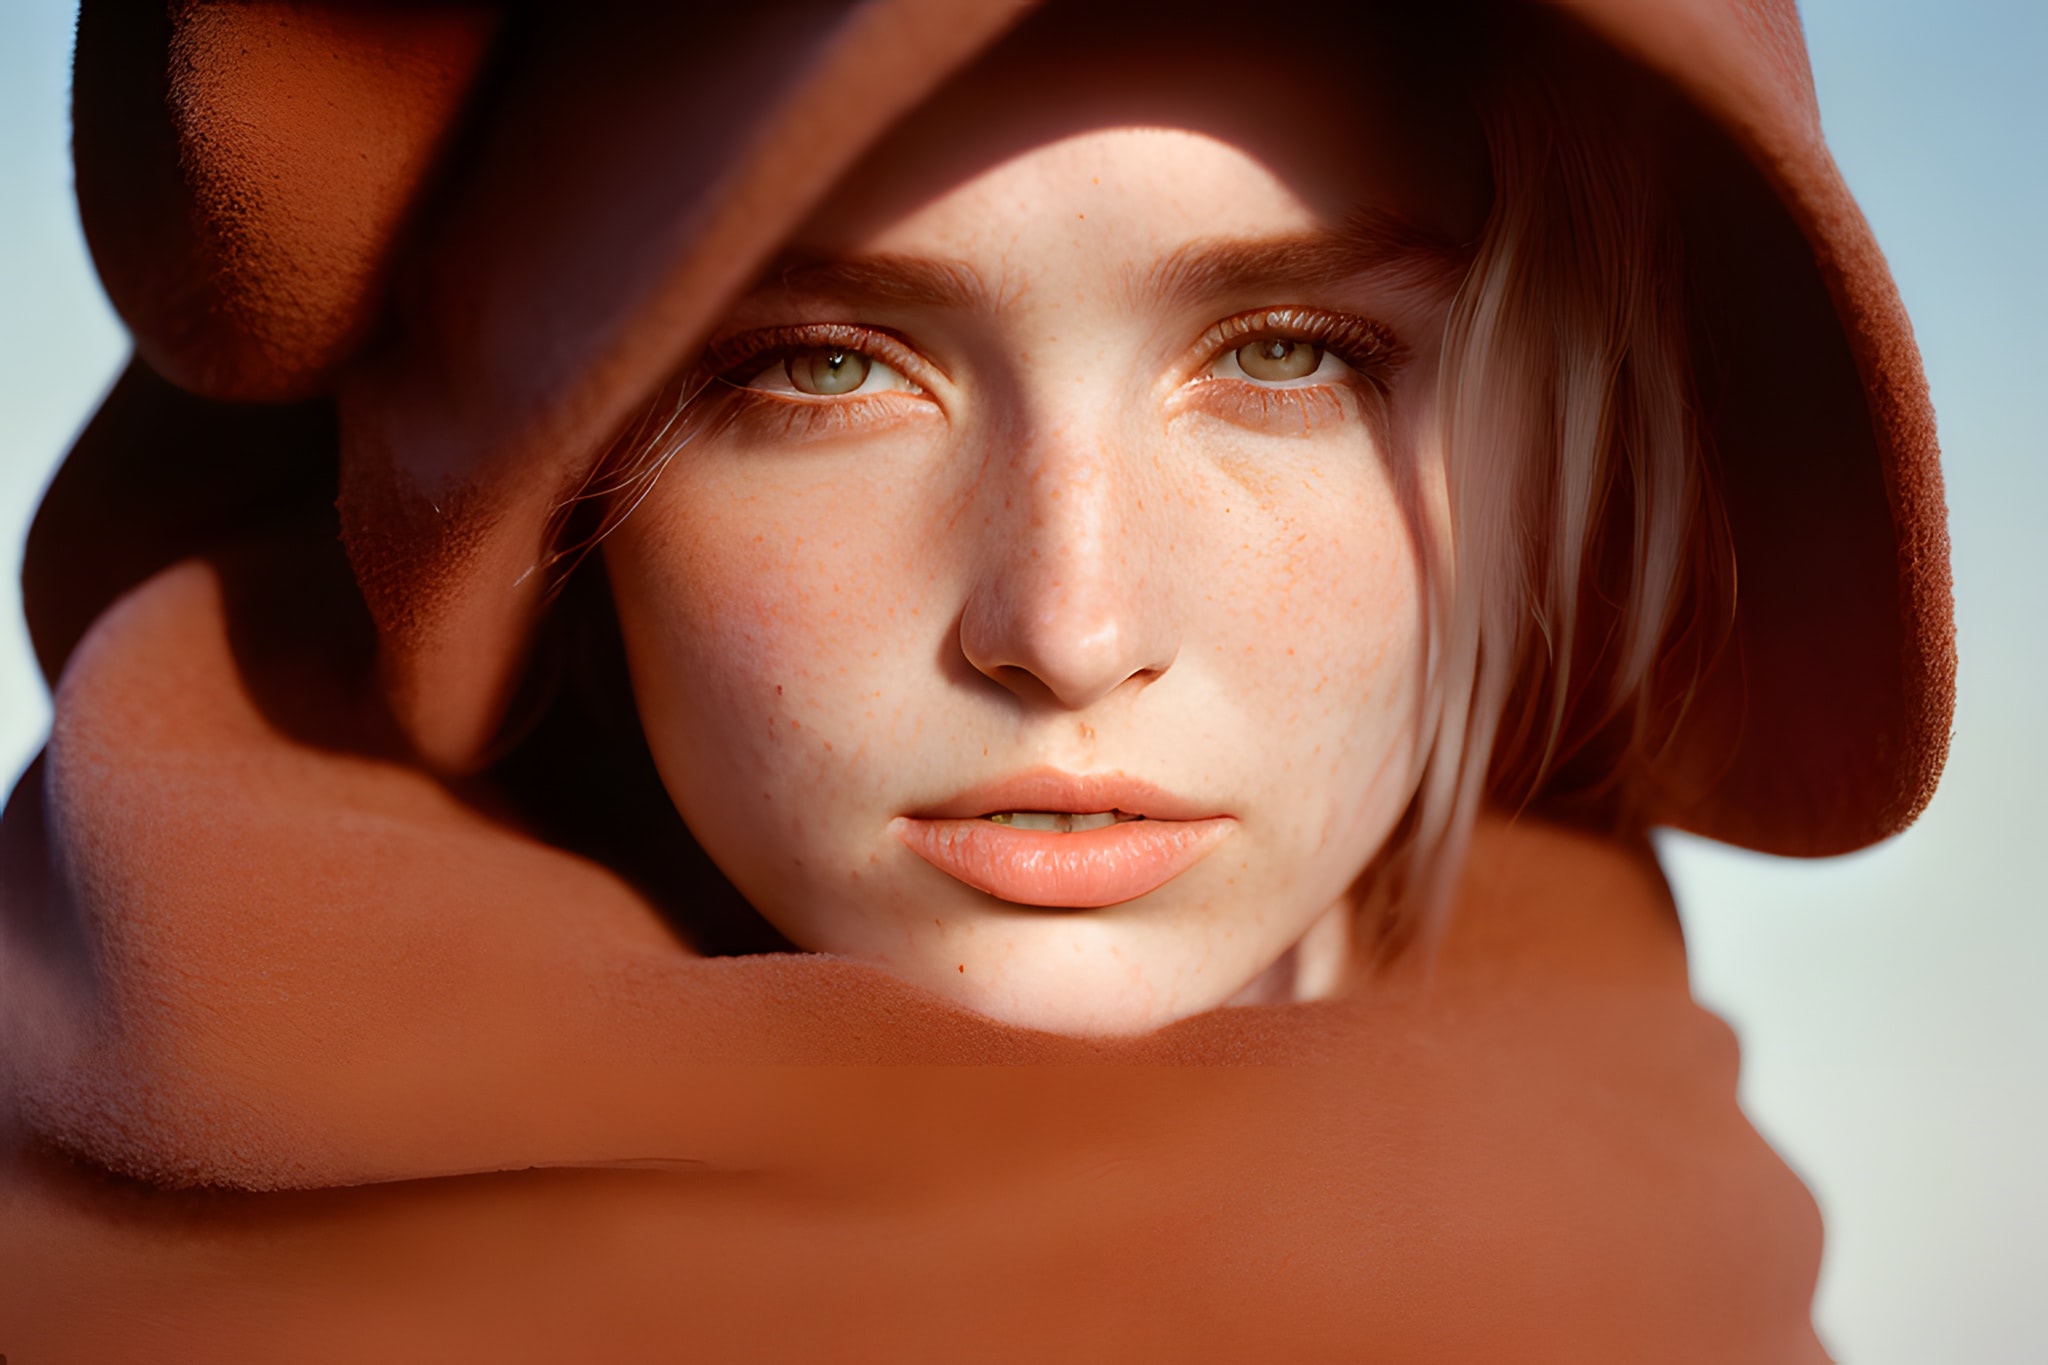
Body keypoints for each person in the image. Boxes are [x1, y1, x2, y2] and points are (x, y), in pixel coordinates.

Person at [0, 0, 1951, 1358]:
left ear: (1558, 429)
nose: (1070, 622)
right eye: (826, 365)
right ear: (539, 462)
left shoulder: (1645, 1245)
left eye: (1287, 354)